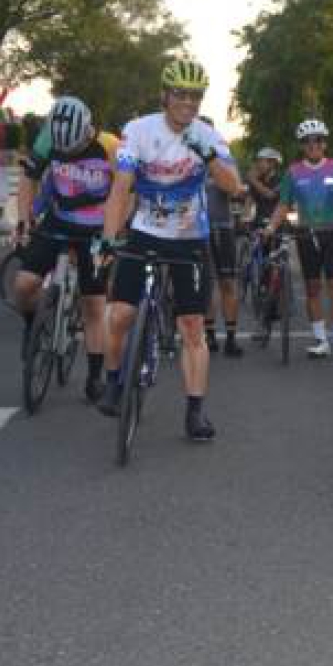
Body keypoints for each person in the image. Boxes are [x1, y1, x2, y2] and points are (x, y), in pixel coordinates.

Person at [95, 59, 244, 441]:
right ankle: (113, 381)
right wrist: (109, 240)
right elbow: (120, 189)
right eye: (179, 94)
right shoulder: (138, 131)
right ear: (165, 95)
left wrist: (208, 156)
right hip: (145, 232)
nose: (187, 103)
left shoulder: (208, 135)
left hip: (190, 237)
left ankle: (195, 412)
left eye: (194, 96)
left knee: (192, 326)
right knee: (120, 316)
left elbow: (234, 187)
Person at [12, 96, 117, 402]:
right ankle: (34, 325)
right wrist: (24, 220)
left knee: (94, 306)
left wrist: (115, 230)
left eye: (75, 150)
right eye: (64, 151)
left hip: (96, 231)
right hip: (57, 221)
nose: (68, 155)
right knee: (23, 285)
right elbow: (29, 180)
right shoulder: (48, 139)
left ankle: (95, 376)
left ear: (88, 131)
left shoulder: (110, 146)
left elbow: (127, 189)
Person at [264, 119, 333, 361]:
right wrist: (270, 227)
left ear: (324, 144)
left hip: (331, 233)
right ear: (302, 146)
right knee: (312, 288)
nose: (313, 145)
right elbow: (283, 204)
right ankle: (321, 341)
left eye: (318, 140)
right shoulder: (293, 172)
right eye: (308, 142)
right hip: (305, 234)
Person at [200, 117, 244, 358]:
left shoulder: (222, 154)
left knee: (227, 282)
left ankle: (230, 337)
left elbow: (235, 187)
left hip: (222, 226)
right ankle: (208, 335)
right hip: (195, 228)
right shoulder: (184, 154)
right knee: (207, 284)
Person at [246, 148, 283, 223]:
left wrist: (253, 180)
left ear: (272, 163)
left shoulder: (282, 180)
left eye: (261, 161)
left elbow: (270, 194)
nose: (258, 164)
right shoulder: (257, 181)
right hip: (258, 223)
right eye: (257, 161)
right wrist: (244, 219)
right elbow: (249, 201)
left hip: (277, 225)